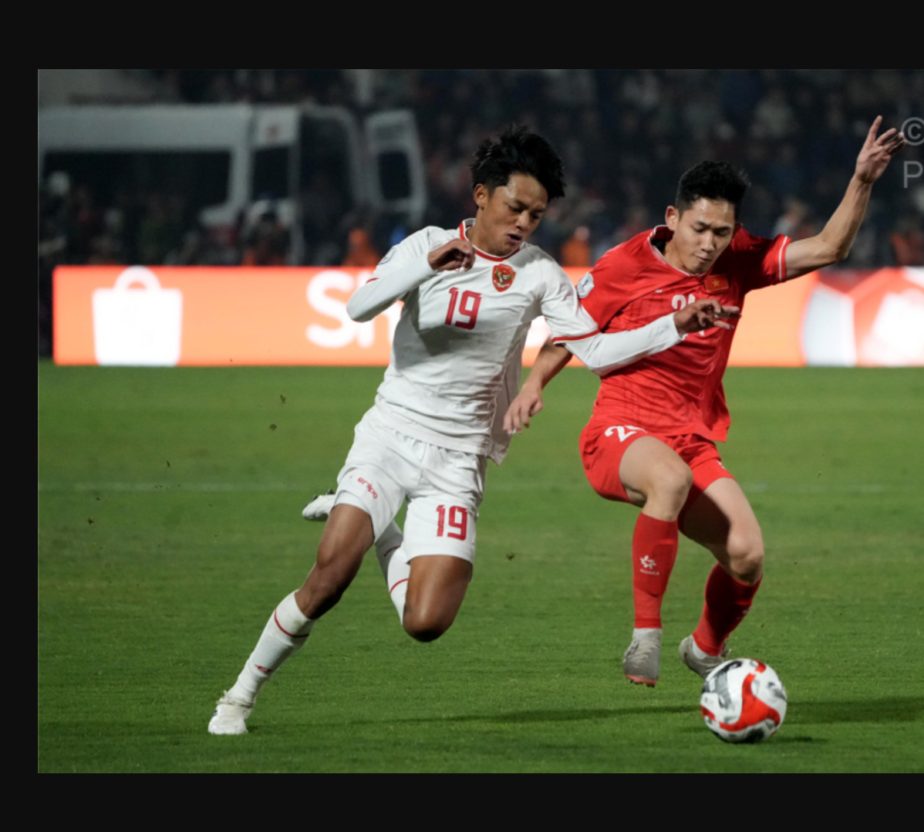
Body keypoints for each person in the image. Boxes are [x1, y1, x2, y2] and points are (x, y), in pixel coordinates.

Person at [209, 125, 735, 734]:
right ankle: (239, 697)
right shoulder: (425, 245)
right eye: (516, 208)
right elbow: (358, 307)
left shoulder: (540, 275)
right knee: (328, 577)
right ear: (482, 195)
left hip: (460, 457)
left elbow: (593, 351)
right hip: (392, 433)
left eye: (536, 215)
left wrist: (676, 324)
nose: (524, 224)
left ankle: (388, 535)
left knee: (425, 622)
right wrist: (424, 267)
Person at [503, 117, 905, 686]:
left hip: (692, 438)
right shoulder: (621, 266)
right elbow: (572, 334)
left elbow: (831, 246)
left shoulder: (736, 260)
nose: (709, 244)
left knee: (747, 554)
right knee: (667, 480)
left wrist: (861, 179)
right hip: (619, 432)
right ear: (672, 219)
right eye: (699, 229)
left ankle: (704, 647)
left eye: (722, 231)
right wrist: (533, 384)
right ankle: (645, 640)